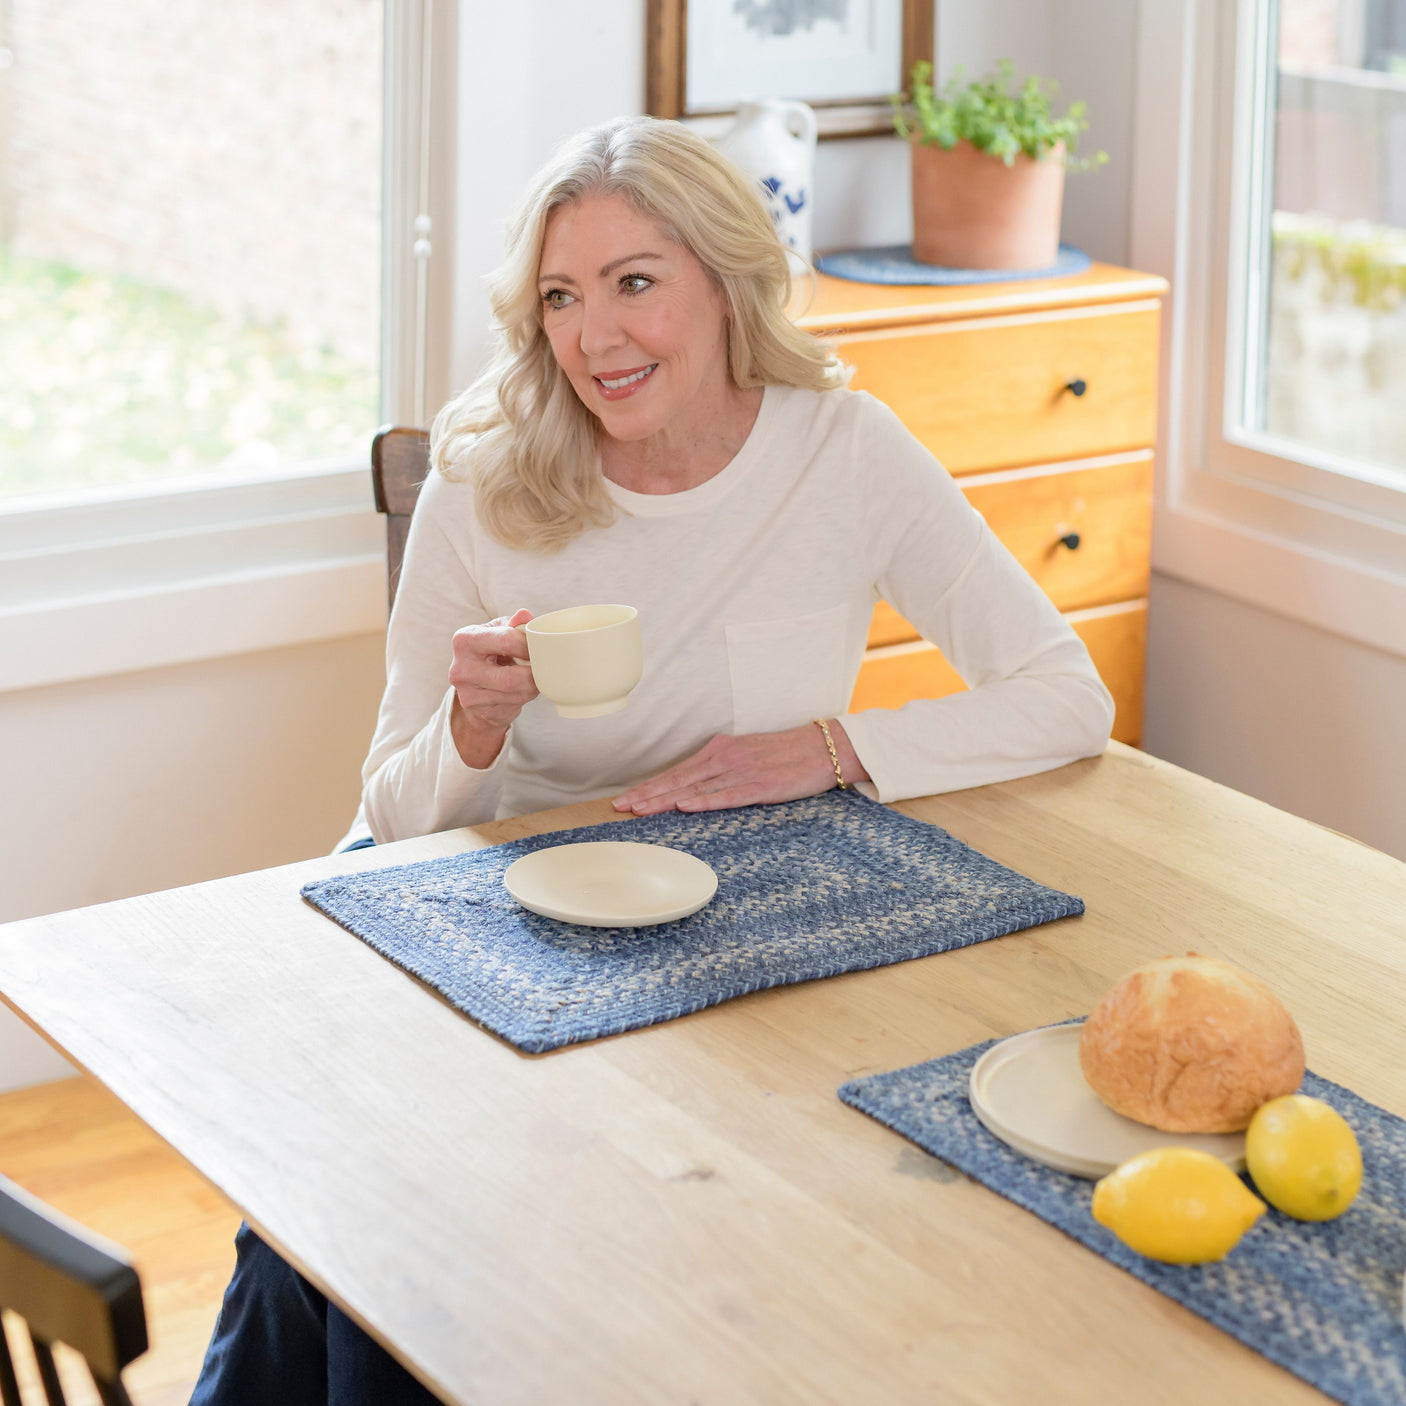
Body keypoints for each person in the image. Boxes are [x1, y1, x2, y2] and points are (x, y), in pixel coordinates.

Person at [191, 114, 1113, 1405]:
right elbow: (388, 815)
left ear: (727, 282)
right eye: (561, 297)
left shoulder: (843, 452)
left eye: (635, 282)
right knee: (375, 1218)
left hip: (738, 924)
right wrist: (469, 729)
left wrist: (834, 746)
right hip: (483, 906)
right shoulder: (484, 475)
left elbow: (1064, 696)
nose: (595, 337)